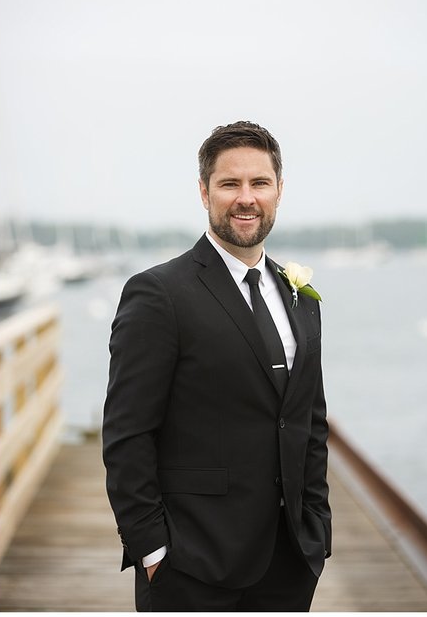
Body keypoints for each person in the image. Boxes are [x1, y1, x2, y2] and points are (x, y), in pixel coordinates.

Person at [103, 121, 331, 611]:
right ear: (204, 192)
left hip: (290, 561)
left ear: (279, 191)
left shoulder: (300, 299)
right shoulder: (158, 294)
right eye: (230, 184)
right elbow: (127, 434)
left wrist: (318, 526)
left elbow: (309, 420)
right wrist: (151, 549)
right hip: (192, 566)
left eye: (259, 183)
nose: (245, 198)